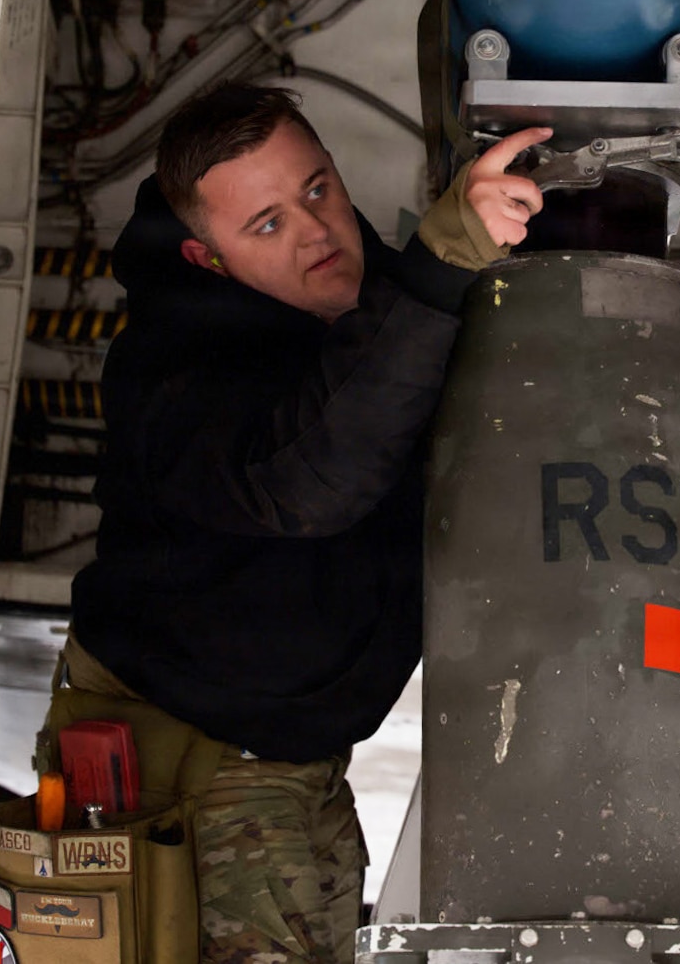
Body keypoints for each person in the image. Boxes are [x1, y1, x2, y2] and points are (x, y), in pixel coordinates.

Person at [58, 82, 549, 964]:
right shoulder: (175, 370)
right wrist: (442, 265)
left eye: (315, 189)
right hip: (189, 773)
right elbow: (309, 477)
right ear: (208, 258)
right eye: (268, 225)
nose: (316, 232)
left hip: (288, 760)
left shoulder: (373, 305)